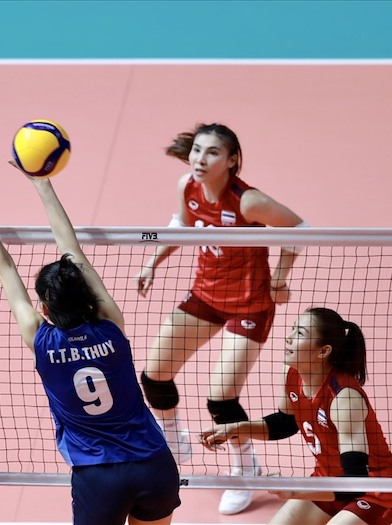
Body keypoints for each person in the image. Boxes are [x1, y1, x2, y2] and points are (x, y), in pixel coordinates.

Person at [0, 150, 181, 525]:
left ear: (44, 311)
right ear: (88, 298)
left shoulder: (40, 339)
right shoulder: (111, 326)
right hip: (153, 464)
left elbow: (3, 263)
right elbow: (72, 251)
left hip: (99, 477)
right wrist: (42, 182)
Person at [134, 122, 307, 515]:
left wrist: (279, 277)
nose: (199, 159)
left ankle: (247, 470)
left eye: (211, 153)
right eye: (197, 150)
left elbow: (299, 228)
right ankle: (175, 440)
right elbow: (180, 227)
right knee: (154, 374)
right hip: (204, 296)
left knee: (221, 398)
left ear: (231, 161)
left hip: (249, 306)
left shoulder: (248, 202)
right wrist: (152, 262)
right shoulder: (188, 187)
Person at [199, 307, 392, 525]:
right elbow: (285, 423)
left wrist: (294, 490)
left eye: (300, 333)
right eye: (293, 329)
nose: (288, 337)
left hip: (372, 493)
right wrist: (234, 429)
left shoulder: (344, 398)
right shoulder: (292, 374)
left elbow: (355, 483)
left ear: (323, 351)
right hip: (326, 482)